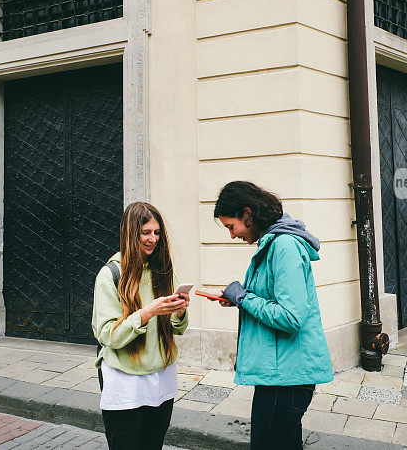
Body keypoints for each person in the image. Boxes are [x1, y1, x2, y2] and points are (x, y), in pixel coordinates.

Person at [211, 181, 333, 450]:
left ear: (248, 214)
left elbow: (291, 317)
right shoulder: (275, 243)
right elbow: (275, 301)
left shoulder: (284, 246)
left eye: (232, 226)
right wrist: (238, 299)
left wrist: (243, 297)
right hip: (281, 373)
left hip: (287, 377)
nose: (232, 235)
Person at [92, 202, 189, 450]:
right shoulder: (111, 274)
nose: (153, 239)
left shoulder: (163, 269)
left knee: (153, 444)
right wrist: (146, 314)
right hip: (125, 377)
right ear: (130, 233)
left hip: (162, 373)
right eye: (145, 232)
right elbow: (107, 334)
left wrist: (179, 311)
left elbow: (177, 328)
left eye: (156, 232)